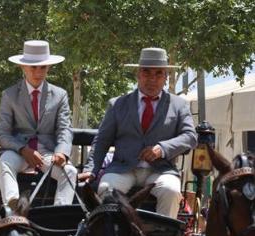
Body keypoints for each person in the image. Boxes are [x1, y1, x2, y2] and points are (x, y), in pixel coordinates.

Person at [83, 47, 197, 218]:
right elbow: (102, 141)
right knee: (106, 189)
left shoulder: (179, 105)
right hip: (123, 169)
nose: (152, 79)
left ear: (166, 77)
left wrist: (162, 148)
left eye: (159, 73)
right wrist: (91, 169)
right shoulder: (117, 105)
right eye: (146, 72)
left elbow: (190, 137)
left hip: (161, 171)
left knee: (171, 191)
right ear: (138, 74)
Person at [0, 40, 76, 210]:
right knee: (4, 161)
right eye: (33, 67)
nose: (38, 72)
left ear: (48, 68)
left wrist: (61, 152)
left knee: (70, 172)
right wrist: (23, 149)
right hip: (19, 152)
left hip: (48, 154)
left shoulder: (60, 95)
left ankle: (60, 214)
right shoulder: (9, 95)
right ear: (23, 68)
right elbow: (2, 133)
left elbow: (64, 129)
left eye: (43, 67)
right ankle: (13, 206)